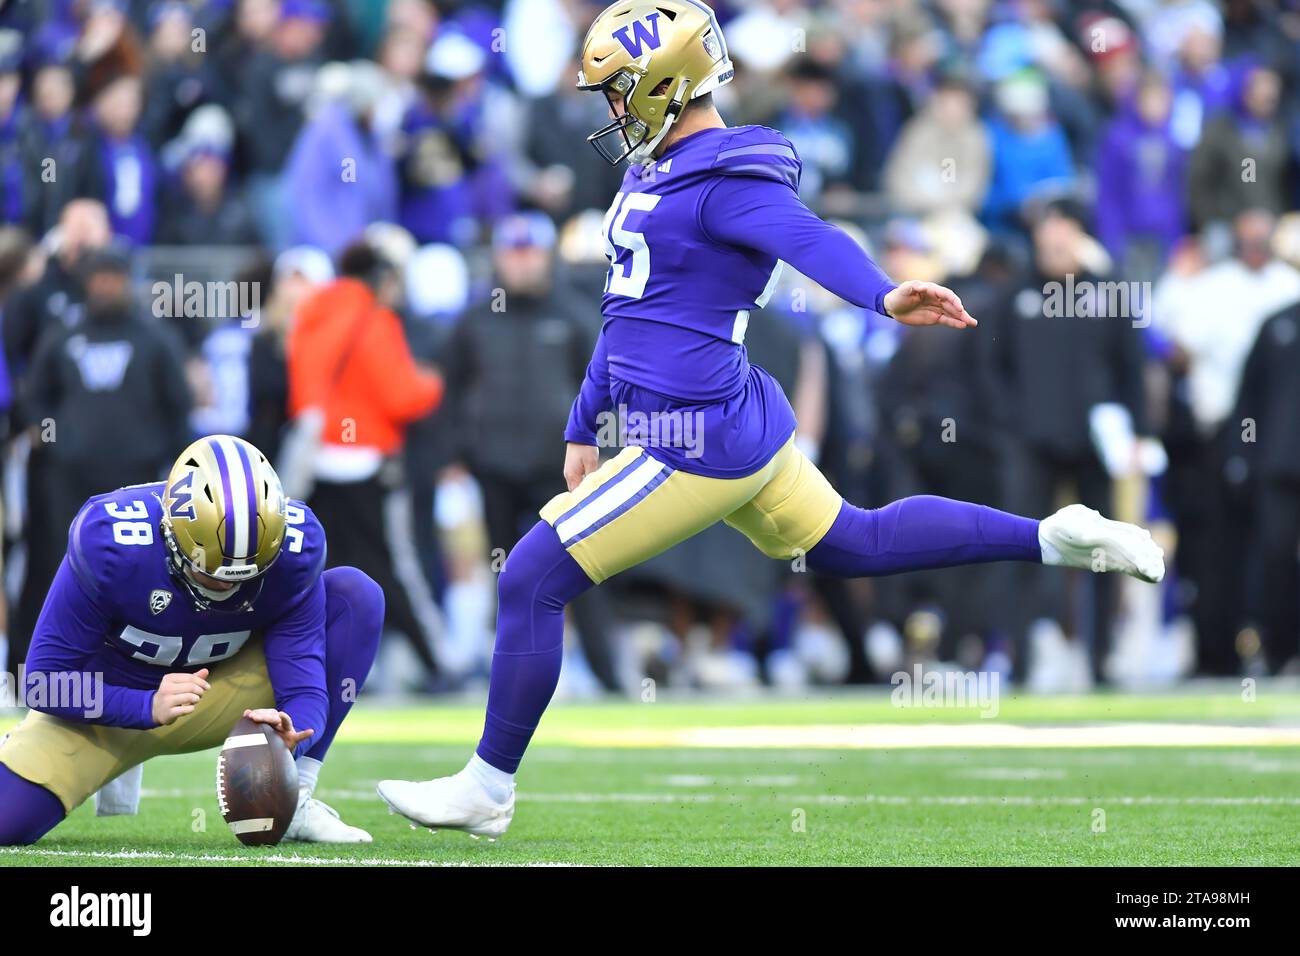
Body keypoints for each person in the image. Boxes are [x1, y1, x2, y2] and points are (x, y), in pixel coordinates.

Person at [377, 0, 1164, 839]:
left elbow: (809, 237)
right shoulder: (657, 167)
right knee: (854, 541)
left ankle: (489, 784)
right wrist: (583, 423)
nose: (607, 109)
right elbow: (625, 316)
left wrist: (881, 293)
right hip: (726, 422)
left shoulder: (723, 179)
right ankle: (1054, 535)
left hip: (694, 436)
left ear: (663, 86)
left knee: (530, 577)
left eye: (618, 91)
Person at [0, 436, 381, 845]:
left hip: (217, 693)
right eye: (210, 573)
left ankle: (297, 799)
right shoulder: (111, 543)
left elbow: (304, 685)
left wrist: (293, 733)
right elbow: (42, 681)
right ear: (171, 534)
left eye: (248, 574)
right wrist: (143, 705)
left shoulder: (294, 551)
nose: (226, 587)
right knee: (8, 825)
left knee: (355, 598)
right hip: (103, 711)